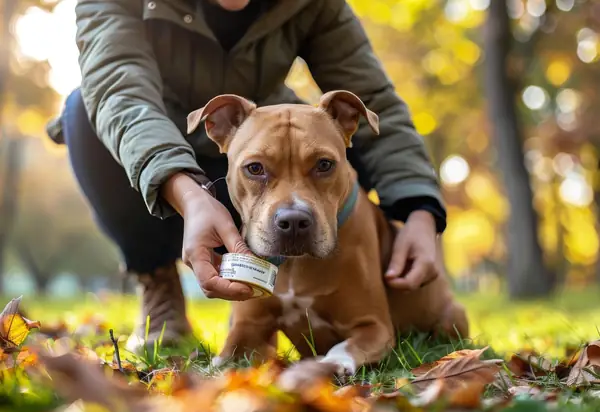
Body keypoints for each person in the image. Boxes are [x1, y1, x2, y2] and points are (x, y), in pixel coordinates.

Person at [47, 0, 448, 346]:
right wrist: (187, 194)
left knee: (327, 147)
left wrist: (419, 210)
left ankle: (323, 286)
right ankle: (157, 281)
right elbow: (119, 95)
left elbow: (376, 101)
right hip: (172, 165)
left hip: (263, 150)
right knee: (83, 112)